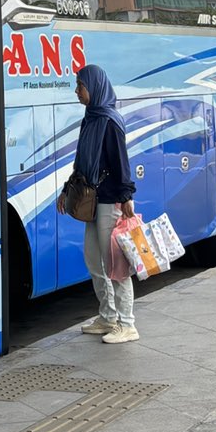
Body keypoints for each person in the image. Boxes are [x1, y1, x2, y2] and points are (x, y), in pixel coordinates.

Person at [66, 64, 139, 345]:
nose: (77, 91)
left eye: (80, 86)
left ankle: (128, 323)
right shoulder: (91, 118)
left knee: (115, 264)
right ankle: (108, 316)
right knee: (92, 259)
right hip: (92, 199)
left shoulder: (109, 122)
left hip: (110, 200)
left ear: (94, 87)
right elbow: (82, 161)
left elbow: (121, 163)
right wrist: (67, 189)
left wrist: (126, 197)